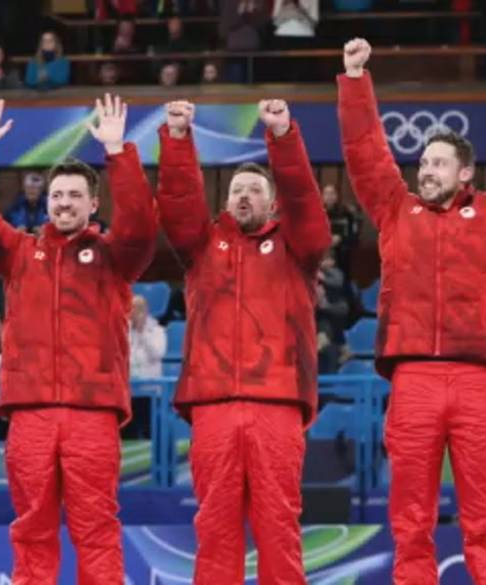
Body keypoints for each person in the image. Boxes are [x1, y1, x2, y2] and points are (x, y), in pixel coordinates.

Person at [337, 37, 486, 585]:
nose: (425, 169)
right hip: (412, 379)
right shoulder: (394, 209)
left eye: (438, 162)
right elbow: (366, 151)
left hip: (477, 378)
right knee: (411, 520)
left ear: (465, 174)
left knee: (485, 518)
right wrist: (357, 80)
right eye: (423, 161)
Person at [0, 94, 158, 583]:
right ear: (47, 203)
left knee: (96, 530)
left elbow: (141, 228)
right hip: (30, 413)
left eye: (74, 196)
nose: (63, 203)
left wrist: (118, 153)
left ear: (92, 204)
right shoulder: (21, 253)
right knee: (32, 531)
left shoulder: (114, 258)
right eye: (56, 196)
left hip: (92, 414)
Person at [157, 97, 330, 583]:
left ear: (273, 204)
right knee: (215, 532)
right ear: (225, 201)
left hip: (276, 404)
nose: (245, 197)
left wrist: (282, 137)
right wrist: (175, 139)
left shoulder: (299, 248)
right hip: (213, 406)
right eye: (237, 191)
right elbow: (177, 202)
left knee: (278, 529)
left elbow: (306, 204)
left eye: (255, 190)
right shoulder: (202, 247)